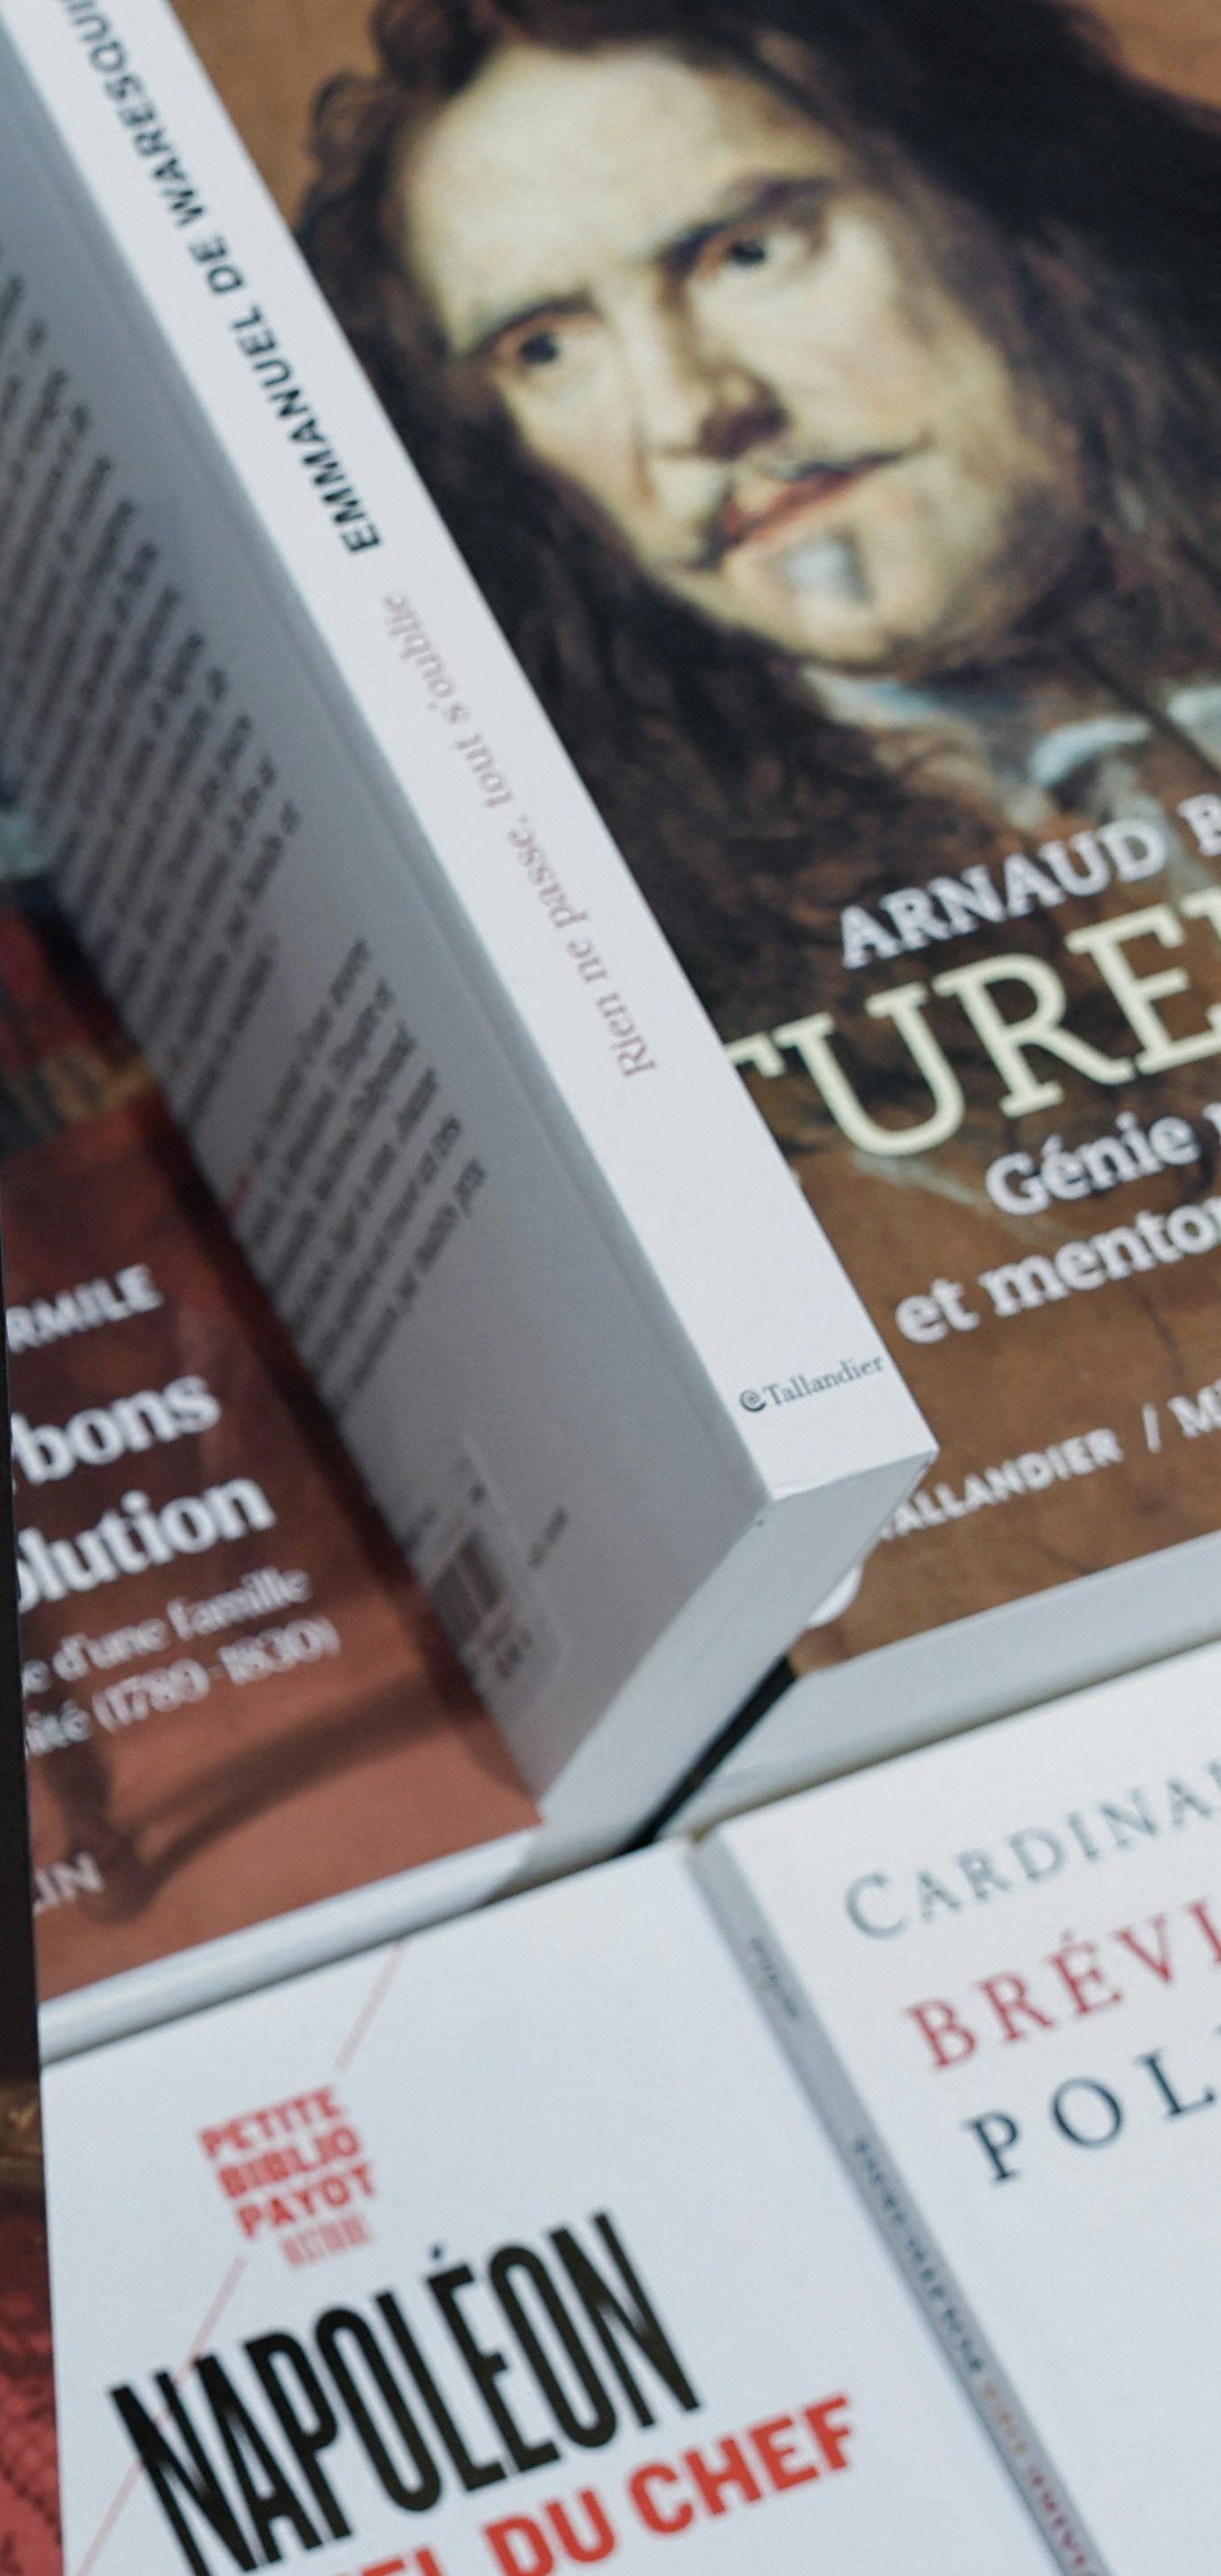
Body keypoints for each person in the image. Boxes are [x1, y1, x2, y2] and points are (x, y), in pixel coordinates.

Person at [294, 0, 1221, 1627]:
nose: (684, 410)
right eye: (547, 349)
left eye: (745, 251)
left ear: (997, 198)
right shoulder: (642, 968)